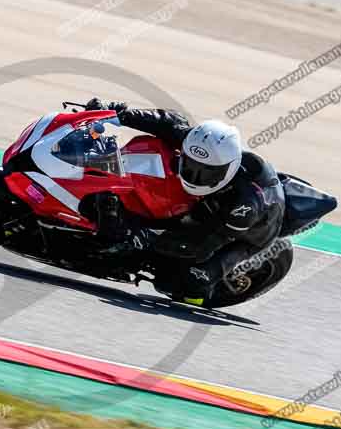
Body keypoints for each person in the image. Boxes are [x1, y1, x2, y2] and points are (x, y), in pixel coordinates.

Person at [83, 98, 286, 302]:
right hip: (211, 206)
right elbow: (166, 121)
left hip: (245, 234)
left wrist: (147, 237)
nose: (194, 175)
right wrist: (116, 113)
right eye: (190, 164)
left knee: (186, 283)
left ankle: (203, 290)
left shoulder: (243, 206)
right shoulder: (202, 145)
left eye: (204, 173)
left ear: (226, 170)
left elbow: (201, 244)